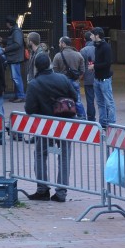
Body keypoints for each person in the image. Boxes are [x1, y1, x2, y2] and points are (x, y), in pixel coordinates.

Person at [25, 53, 78, 202]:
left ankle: (42, 189)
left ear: (36, 66)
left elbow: (29, 108)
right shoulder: (62, 78)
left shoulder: (34, 84)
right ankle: (61, 192)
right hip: (65, 123)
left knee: (41, 155)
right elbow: (74, 96)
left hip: (45, 125)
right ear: (49, 64)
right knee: (64, 157)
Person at [52, 36, 86, 119]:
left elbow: (55, 71)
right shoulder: (78, 55)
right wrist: (77, 78)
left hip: (62, 83)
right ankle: (83, 117)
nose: (59, 44)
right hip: (75, 81)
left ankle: (67, 117)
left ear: (63, 43)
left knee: (62, 100)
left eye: (60, 42)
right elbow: (82, 70)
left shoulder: (58, 56)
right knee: (77, 100)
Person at [88, 27, 116, 128]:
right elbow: (101, 62)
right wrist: (94, 65)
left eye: (92, 35)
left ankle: (112, 124)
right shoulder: (97, 47)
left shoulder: (106, 47)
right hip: (97, 79)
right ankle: (103, 123)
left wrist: (94, 66)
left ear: (97, 36)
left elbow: (107, 63)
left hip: (104, 80)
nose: (90, 37)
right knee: (100, 103)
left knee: (109, 103)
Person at [2, 16, 25, 103]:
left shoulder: (16, 32)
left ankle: (21, 96)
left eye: (6, 23)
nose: (6, 24)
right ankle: (17, 95)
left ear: (9, 23)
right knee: (15, 78)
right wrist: (2, 40)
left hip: (15, 58)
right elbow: (12, 42)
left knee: (16, 78)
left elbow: (17, 44)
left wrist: (5, 49)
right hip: (13, 57)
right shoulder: (14, 31)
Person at [79, 31, 96, 121]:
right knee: (102, 100)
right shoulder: (98, 48)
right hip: (100, 77)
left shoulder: (83, 50)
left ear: (85, 39)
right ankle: (105, 119)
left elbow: (81, 65)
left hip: (88, 78)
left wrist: (81, 75)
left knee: (90, 100)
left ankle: (91, 118)